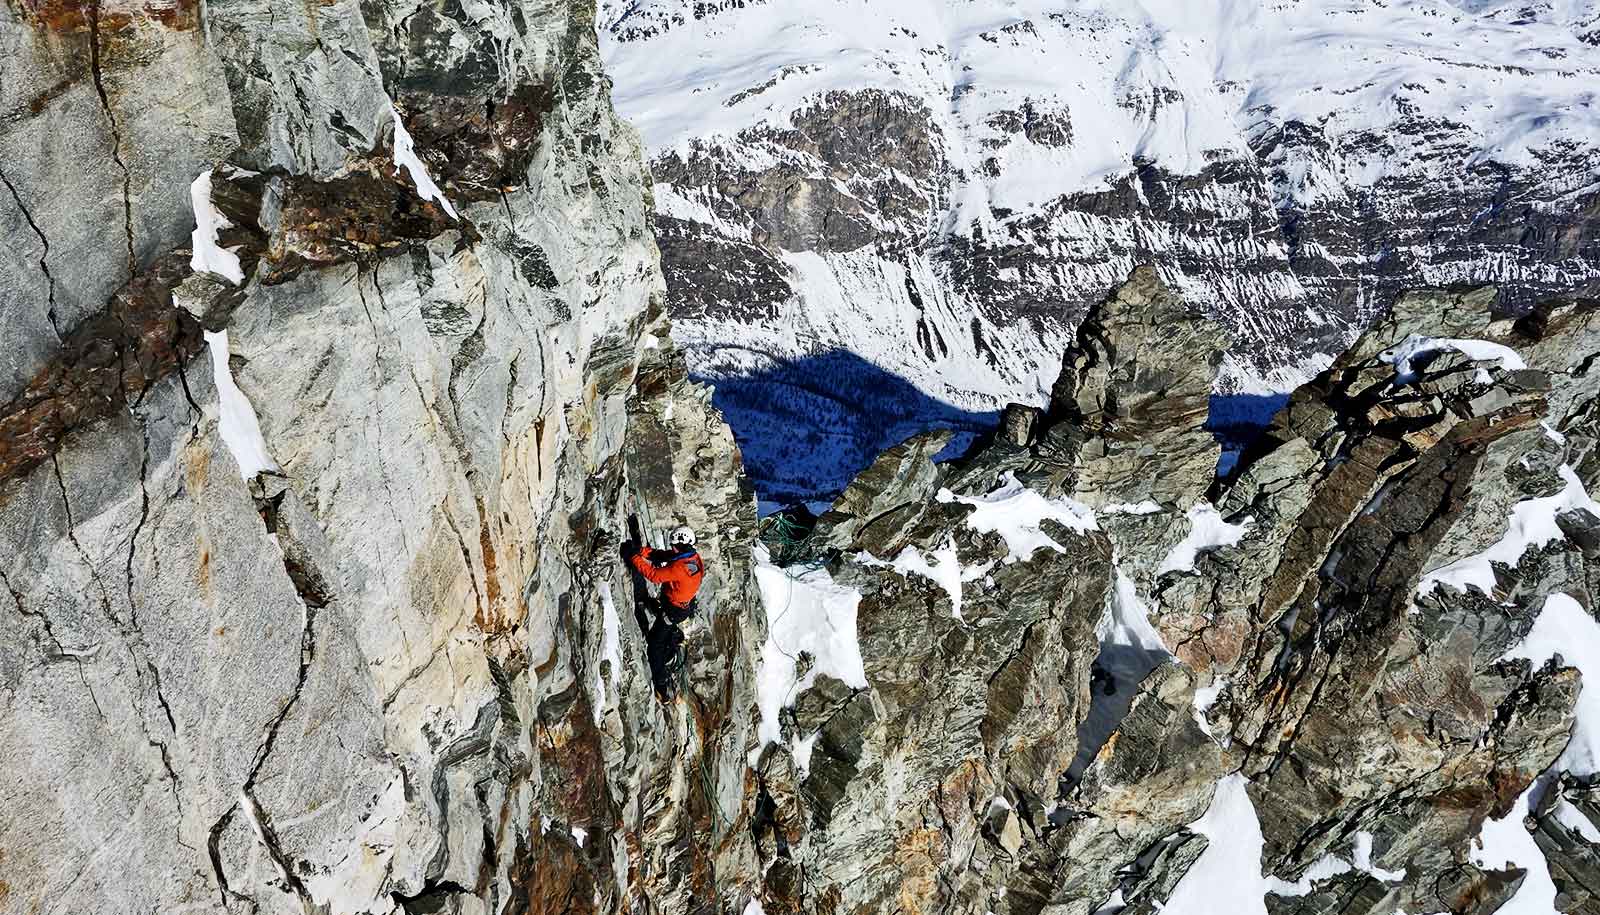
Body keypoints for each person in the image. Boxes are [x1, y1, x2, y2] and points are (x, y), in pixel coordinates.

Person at [624, 525, 705, 623]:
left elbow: (654, 575)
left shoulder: (680, 567)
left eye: (674, 546)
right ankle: (657, 609)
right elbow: (661, 555)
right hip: (679, 601)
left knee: (654, 638)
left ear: (683, 546)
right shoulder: (692, 556)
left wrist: (634, 557)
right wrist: (641, 551)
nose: (672, 548)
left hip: (674, 610)